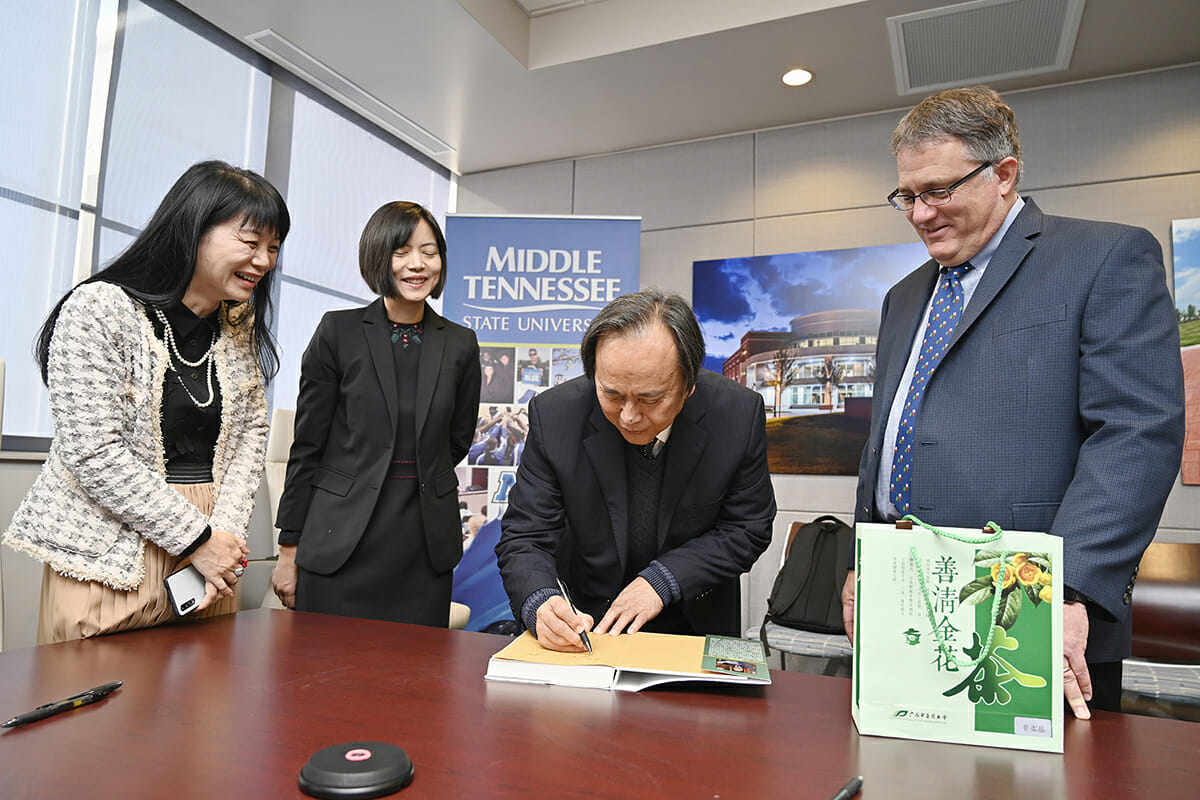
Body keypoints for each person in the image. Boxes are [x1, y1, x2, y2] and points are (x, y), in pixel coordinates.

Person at [845, 86, 1185, 718]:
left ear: (1004, 175)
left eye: (939, 191)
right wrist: (862, 558)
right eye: (907, 197)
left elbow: (1137, 432)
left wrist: (1067, 588)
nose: (920, 214)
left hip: (1032, 603)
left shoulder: (1104, 257)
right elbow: (887, 439)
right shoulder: (902, 297)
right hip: (907, 593)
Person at [3, 160, 287, 643]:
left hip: (211, 557)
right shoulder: (99, 308)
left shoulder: (238, 326)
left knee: (204, 710)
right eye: (250, 241)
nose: (263, 260)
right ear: (193, 228)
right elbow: (93, 451)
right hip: (111, 546)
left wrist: (220, 541)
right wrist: (195, 538)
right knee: (95, 705)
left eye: (273, 247)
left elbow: (249, 440)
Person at [496, 289, 776, 651]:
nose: (628, 416)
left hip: (695, 627)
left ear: (688, 385)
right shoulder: (556, 416)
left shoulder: (736, 415)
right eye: (612, 394)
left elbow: (747, 527)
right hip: (587, 629)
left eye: (650, 398)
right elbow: (524, 536)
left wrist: (663, 581)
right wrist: (539, 602)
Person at [271, 202, 481, 626]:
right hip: (339, 540)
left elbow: (457, 439)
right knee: (323, 678)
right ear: (378, 256)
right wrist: (289, 549)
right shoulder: (338, 332)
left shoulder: (460, 344)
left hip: (421, 546)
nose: (417, 264)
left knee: (414, 681)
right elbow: (307, 447)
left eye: (429, 251)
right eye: (402, 251)